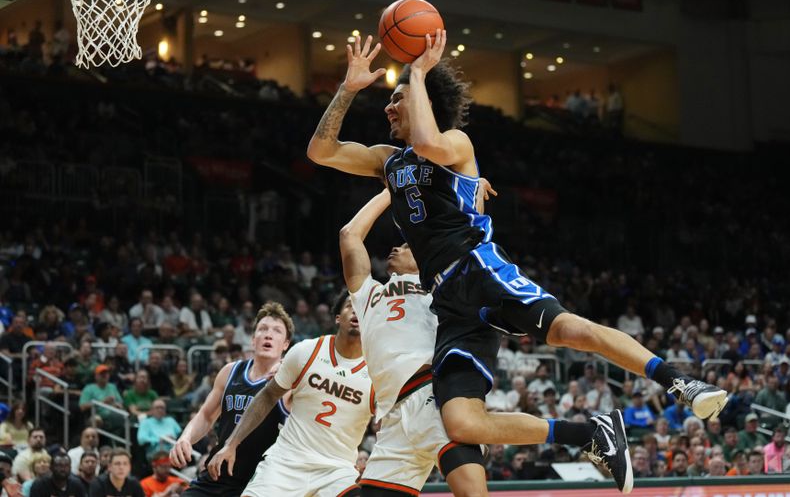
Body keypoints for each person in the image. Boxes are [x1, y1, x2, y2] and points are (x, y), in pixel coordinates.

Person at [306, 32, 728, 493]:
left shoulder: (456, 144)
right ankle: (591, 434)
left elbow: (427, 141)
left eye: (397, 98)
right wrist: (348, 88)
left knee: (570, 332)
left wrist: (420, 72)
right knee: (462, 422)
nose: (388, 107)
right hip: (448, 302)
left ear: (424, 99)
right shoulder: (388, 161)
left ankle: (680, 383)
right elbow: (321, 152)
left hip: (479, 268)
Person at [339, 189, 489, 495]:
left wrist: (472, 188)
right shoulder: (368, 295)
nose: (396, 248)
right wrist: (388, 190)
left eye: (407, 245)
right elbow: (349, 235)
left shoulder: (441, 287)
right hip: (393, 416)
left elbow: (471, 241)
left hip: (433, 396)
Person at [206, 294, 372, 497]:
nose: (356, 311)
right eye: (350, 306)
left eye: (365, 307)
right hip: (287, 461)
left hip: (336, 470)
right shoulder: (305, 351)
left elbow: (389, 427)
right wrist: (231, 444)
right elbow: (267, 396)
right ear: (338, 317)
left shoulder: (379, 372)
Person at [170, 303, 292, 497]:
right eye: (263, 329)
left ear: (286, 344)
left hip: (261, 482)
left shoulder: (291, 382)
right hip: (220, 472)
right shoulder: (230, 371)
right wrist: (186, 438)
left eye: (277, 331)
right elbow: (207, 415)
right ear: (253, 340)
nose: (268, 334)